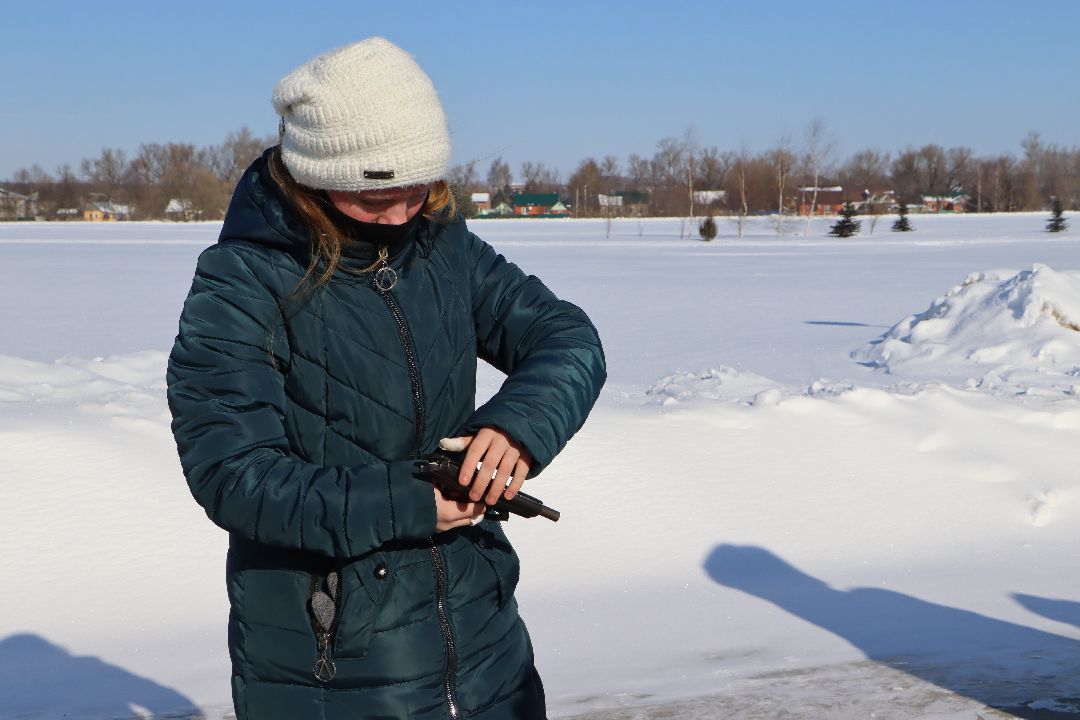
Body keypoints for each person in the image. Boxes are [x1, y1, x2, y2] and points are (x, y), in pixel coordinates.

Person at [166, 37, 605, 720]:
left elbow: (567, 337)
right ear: (313, 176)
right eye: (374, 198)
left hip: (484, 641)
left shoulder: (444, 244)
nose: (401, 215)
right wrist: (409, 502)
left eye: (416, 190)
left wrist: (515, 430)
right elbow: (232, 474)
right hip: (336, 662)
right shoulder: (242, 282)